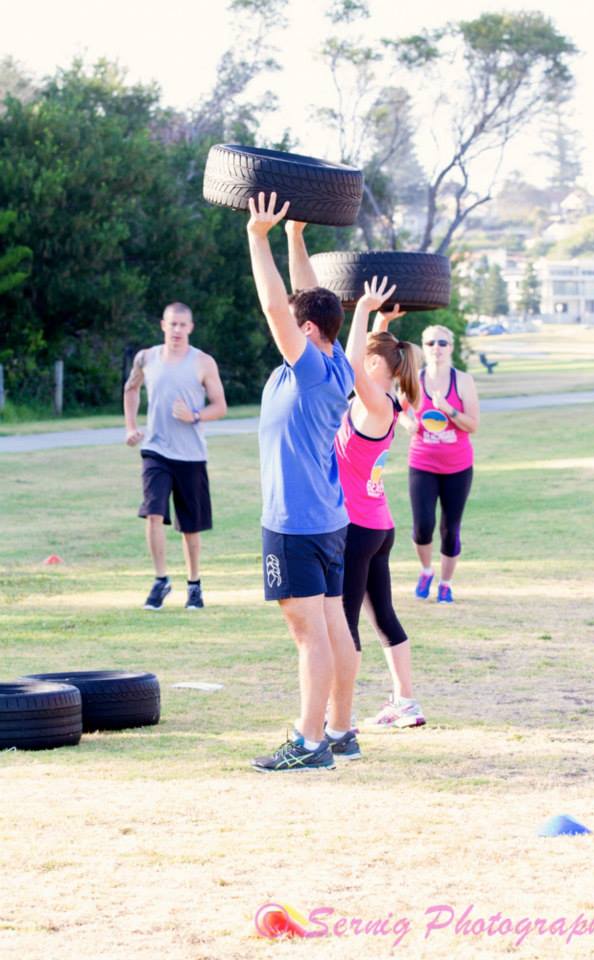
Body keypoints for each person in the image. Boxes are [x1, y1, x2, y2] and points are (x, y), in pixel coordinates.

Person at [246, 193, 359, 773]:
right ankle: (340, 729)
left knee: (307, 634)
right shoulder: (336, 357)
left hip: (295, 522)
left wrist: (258, 235)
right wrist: (295, 237)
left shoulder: (311, 367)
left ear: (308, 330)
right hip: (329, 518)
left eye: (298, 322)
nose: (287, 324)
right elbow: (312, 298)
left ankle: (310, 742)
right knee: (334, 625)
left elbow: (275, 306)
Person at [336, 292, 428, 729]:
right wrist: (381, 325)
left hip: (357, 529)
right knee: (383, 617)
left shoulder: (373, 403)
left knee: (346, 622)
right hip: (378, 526)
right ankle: (406, 703)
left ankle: (342, 716)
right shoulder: (389, 402)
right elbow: (372, 357)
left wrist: (362, 311)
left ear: (376, 367)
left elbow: (354, 359)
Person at [123, 302, 227, 610]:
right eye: (172, 324)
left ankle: (194, 585)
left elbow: (220, 407)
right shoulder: (146, 358)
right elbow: (131, 389)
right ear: (163, 325)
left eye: (183, 325)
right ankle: (160, 581)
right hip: (155, 450)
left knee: (190, 528)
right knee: (153, 513)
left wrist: (194, 414)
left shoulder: (203, 362)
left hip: (191, 455)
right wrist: (130, 426)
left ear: (191, 328)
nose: (177, 330)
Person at [399, 323, 479, 603]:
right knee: (422, 526)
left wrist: (449, 409)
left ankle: (446, 583)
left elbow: (472, 425)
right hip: (422, 462)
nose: (437, 348)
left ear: (451, 348)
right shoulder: (413, 379)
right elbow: (400, 412)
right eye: (431, 343)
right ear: (424, 347)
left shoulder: (464, 381)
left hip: (457, 466)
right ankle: (425, 571)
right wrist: (408, 423)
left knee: (450, 528)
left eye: (442, 343)